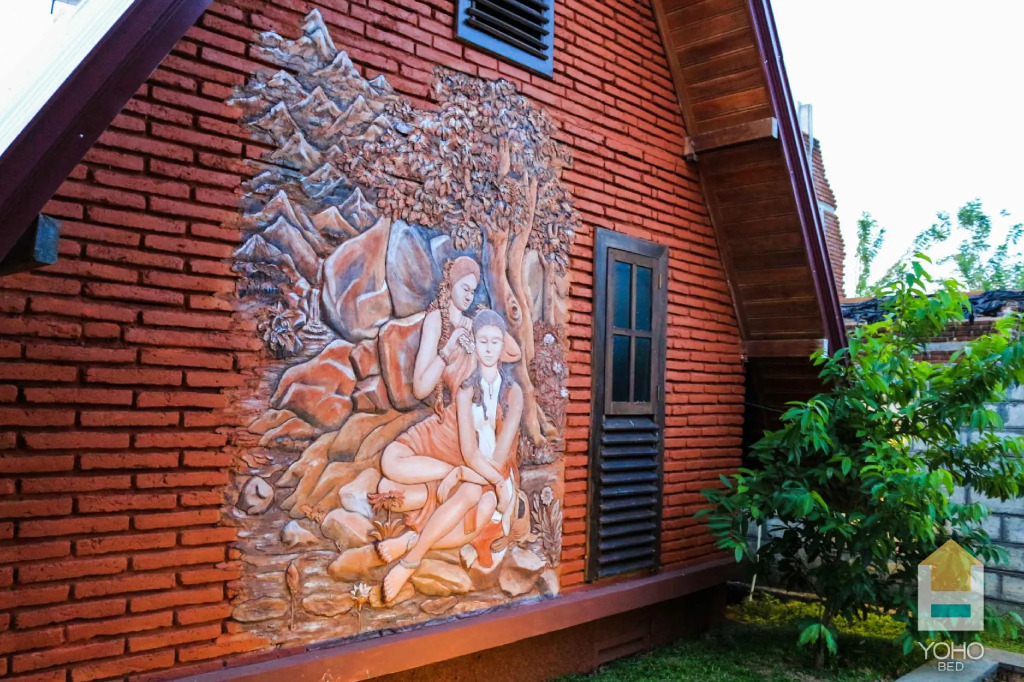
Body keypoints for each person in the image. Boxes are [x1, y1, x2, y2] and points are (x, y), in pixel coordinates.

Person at [378, 310, 524, 603]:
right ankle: (412, 556)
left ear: (502, 345)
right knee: (469, 493)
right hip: (473, 470)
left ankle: (410, 548)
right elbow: (469, 452)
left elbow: (499, 459)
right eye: (483, 341)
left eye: (495, 342)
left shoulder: (514, 393)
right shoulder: (465, 391)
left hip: (496, 474)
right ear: (475, 345)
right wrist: (460, 473)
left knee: (482, 506)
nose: (489, 349)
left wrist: (493, 481)